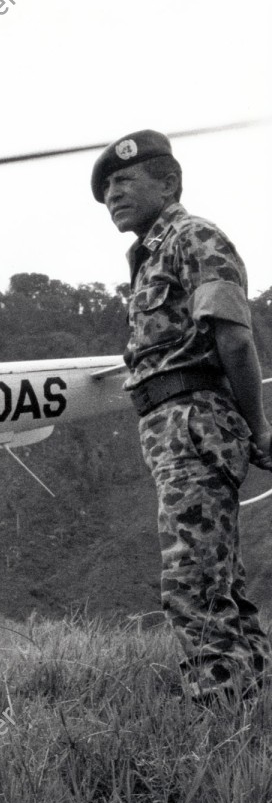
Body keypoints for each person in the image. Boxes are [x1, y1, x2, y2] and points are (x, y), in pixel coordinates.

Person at [95, 128, 271, 704]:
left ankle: (218, 722)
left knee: (193, 583)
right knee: (218, 580)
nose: (113, 196)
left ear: (167, 182)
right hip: (173, 424)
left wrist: (261, 427)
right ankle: (253, 705)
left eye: (124, 181)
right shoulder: (149, 256)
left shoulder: (194, 238)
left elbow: (235, 341)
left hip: (194, 418)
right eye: (107, 191)